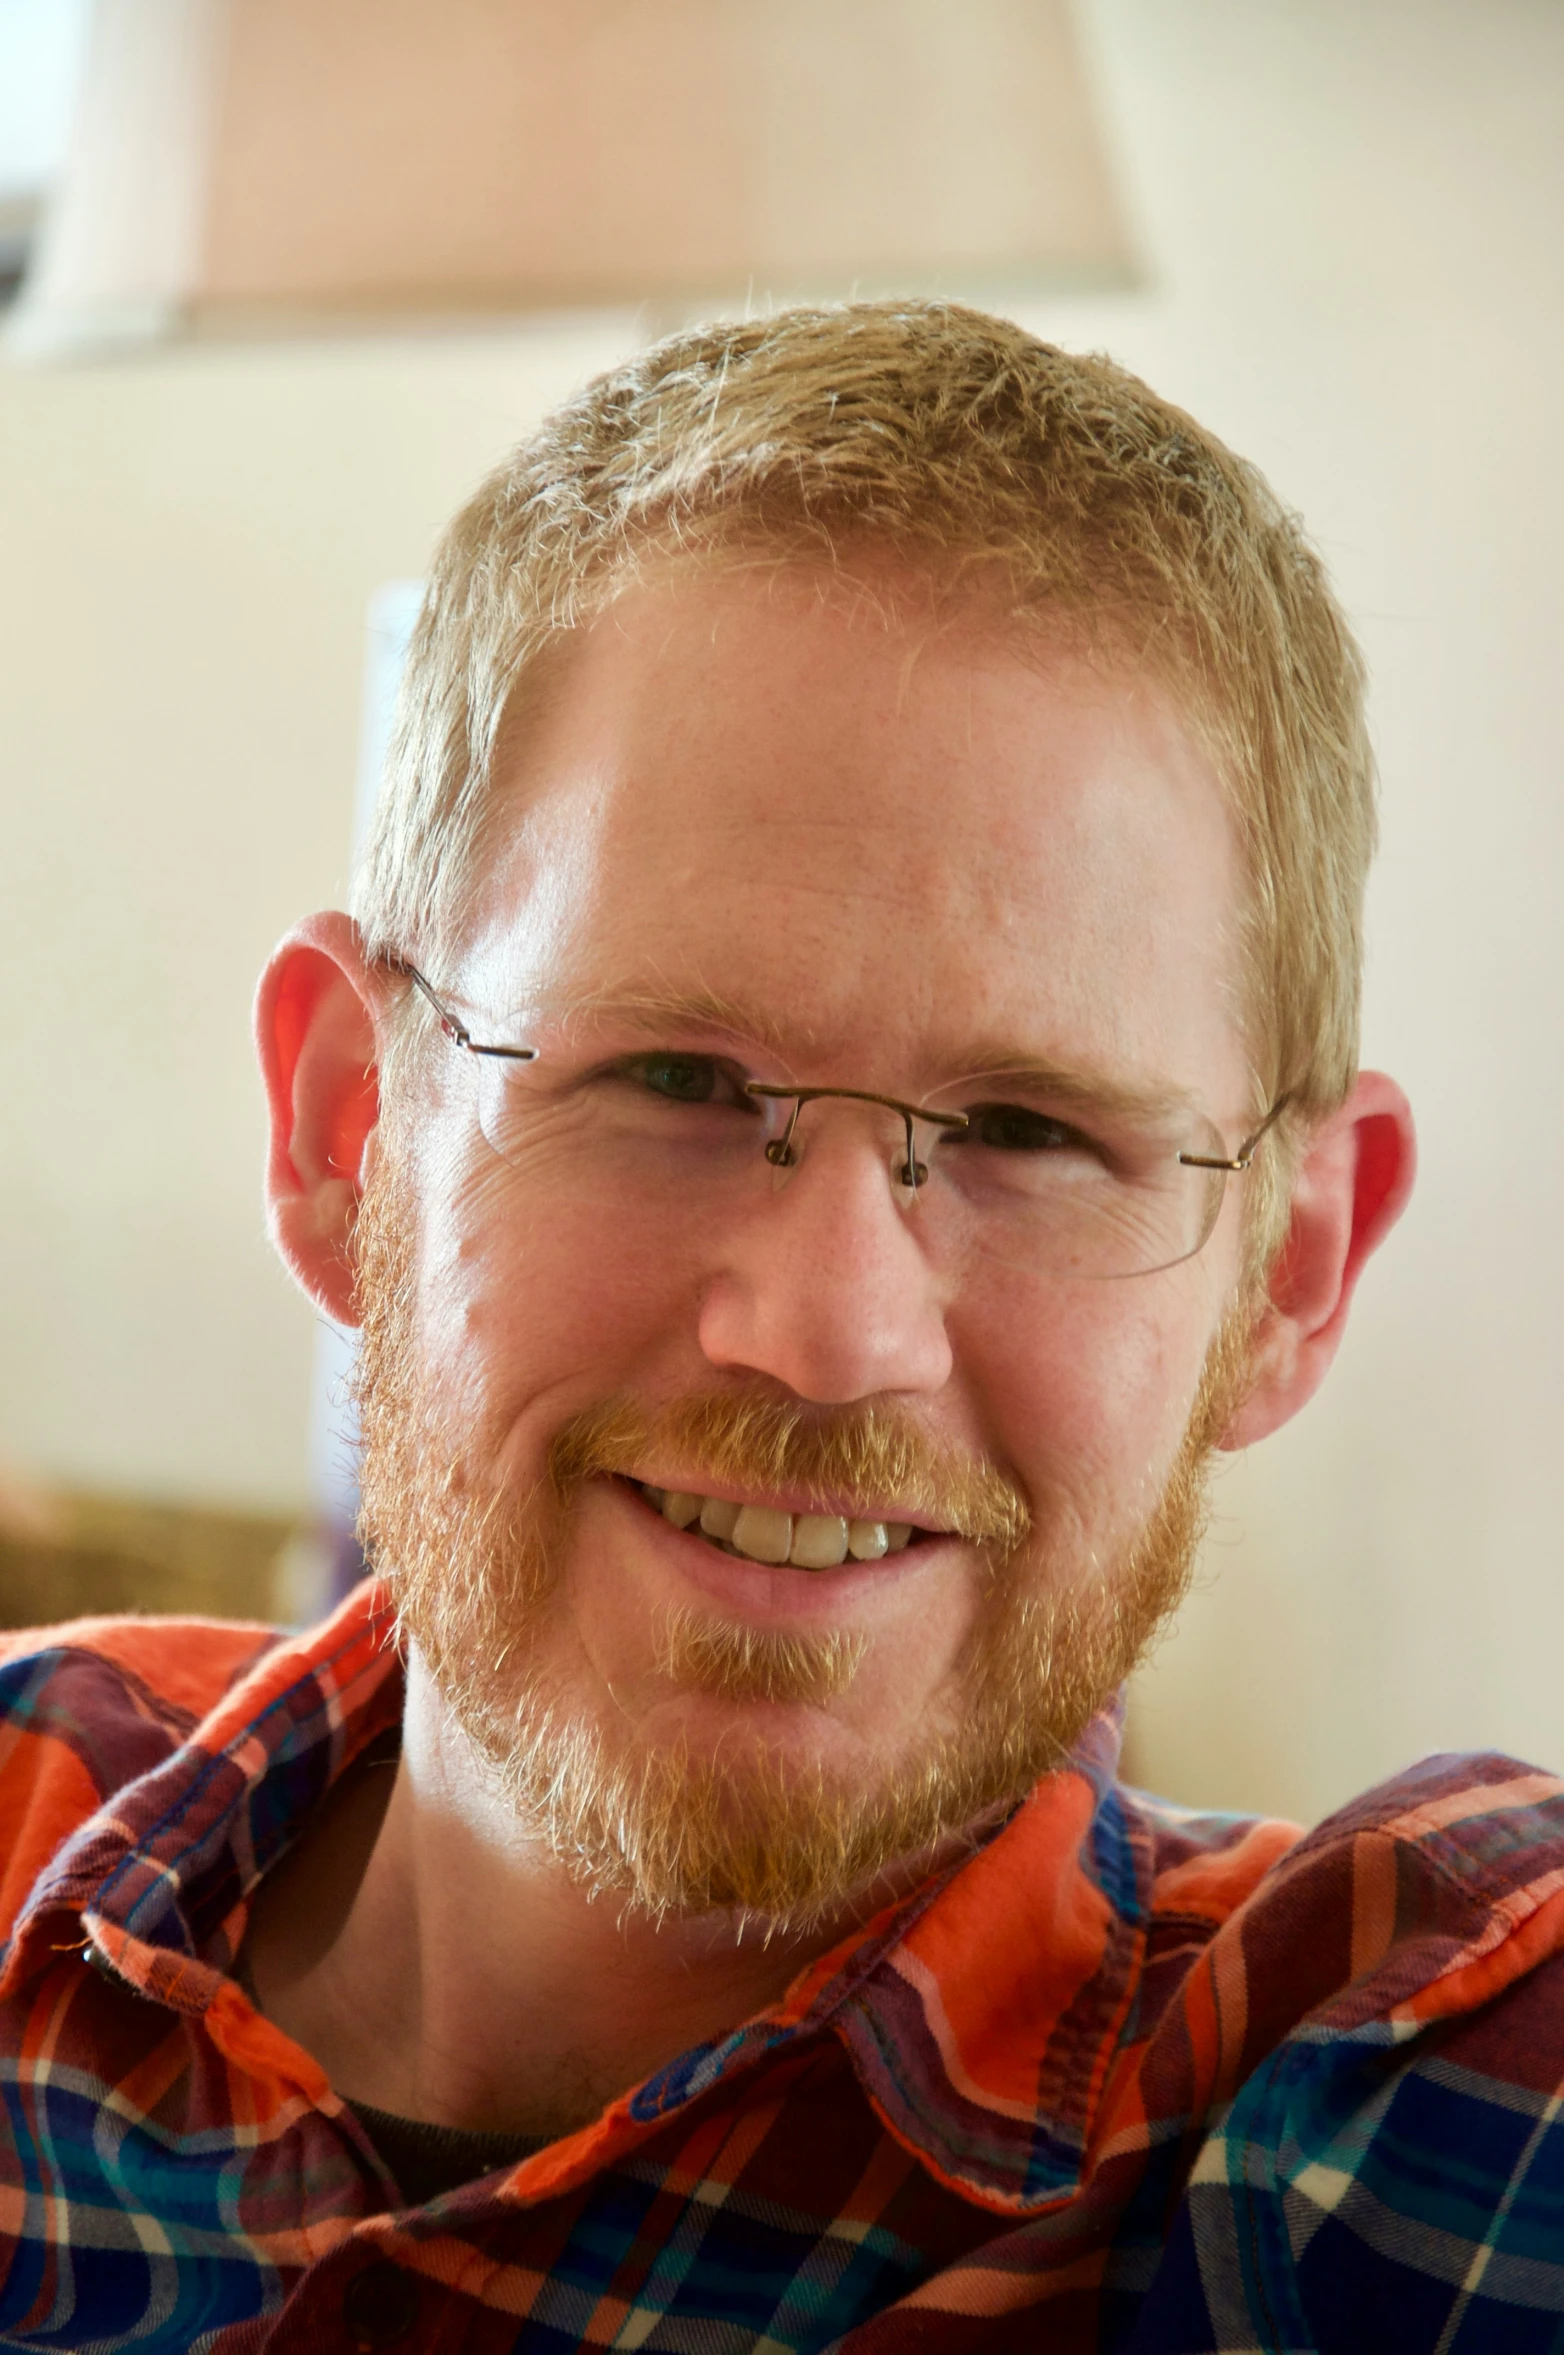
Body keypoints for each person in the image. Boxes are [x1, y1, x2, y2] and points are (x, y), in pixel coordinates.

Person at [1, 301, 1559, 2355]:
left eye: (1027, 1129)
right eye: (666, 1079)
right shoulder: (36, 1789)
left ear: (1289, 1268)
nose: (824, 1333)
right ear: (343, 1129)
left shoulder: (1386, 2085)